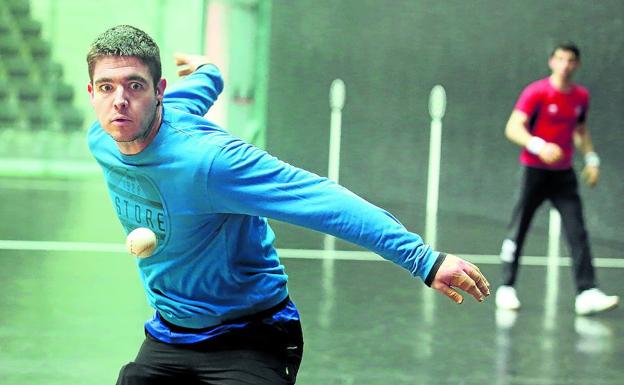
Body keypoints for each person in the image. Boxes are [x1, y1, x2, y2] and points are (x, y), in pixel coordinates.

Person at [86, 25, 490, 385]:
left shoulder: (211, 163)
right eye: (106, 87)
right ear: (91, 93)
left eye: (135, 85)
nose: (119, 100)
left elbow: (321, 199)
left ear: (159, 92)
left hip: (250, 335)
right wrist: (210, 70)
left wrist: (424, 260)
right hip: (170, 334)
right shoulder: (103, 138)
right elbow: (200, 89)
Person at [496, 42, 619, 316]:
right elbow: (513, 127)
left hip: (563, 175)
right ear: (552, 62)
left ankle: (587, 292)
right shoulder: (536, 92)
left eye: (571, 60)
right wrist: (539, 146)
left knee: (577, 231)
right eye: (560, 59)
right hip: (534, 172)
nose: (565, 65)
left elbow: (580, 130)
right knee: (519, 228)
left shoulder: (580, 97)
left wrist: (591, 159)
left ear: (577, 65)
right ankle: (506, 287)